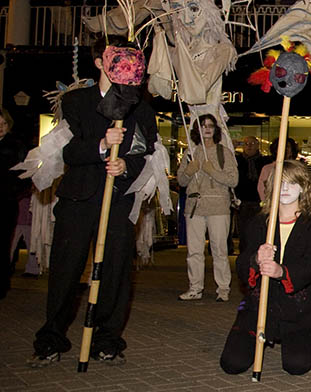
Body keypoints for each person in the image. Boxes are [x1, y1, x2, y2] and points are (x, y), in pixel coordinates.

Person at [30, 35, 157, 366]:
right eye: (114, 59)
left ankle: (107, 339)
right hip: (78, 197)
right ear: (100, 62)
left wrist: (126, 163)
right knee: (65, 270)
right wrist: (101, 146)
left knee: (115, 272)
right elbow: (67, 151)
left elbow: (145, 152)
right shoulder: (76, 102)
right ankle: (51, 338)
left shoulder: (140, 107)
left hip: (117, 201)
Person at [219, 160, 311, 376]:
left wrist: (281, 272)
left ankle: (299, 336)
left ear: (303, 187)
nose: (285, 188)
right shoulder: (258, 223)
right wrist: (255, 260)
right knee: (231, 364)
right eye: (280, 182)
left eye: (292, 183)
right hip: (258, 307)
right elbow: (242, 266)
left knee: (297, 365)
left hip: (297, 311)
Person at [178, 114, 238, 302]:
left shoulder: (224, 152)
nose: (207, 129)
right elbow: (181, 180)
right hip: (194, 207)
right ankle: (195, 288)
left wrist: (212, 171)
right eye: (203, 125)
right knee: (194, 251)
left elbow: (233, 180)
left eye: (210, 125)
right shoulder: (190, 153)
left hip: (218, 207)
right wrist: (189, 170)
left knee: (219, 249)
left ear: (216, 129)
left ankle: (223, 288)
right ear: (197, 130)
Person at [0, 108, 27, 298]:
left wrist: (12, 192)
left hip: (4, 203)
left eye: (3, 124)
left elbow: (24, 176)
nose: (0, 128)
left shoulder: (16, 146)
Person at [235, 136, 268, 253]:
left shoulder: (264, 162)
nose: (249, 146)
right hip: (242, 203)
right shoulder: (237, 161)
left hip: (259, 203)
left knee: (258, 233)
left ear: (257, 145)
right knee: (243, 233)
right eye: (246, 143)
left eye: (252, 143)